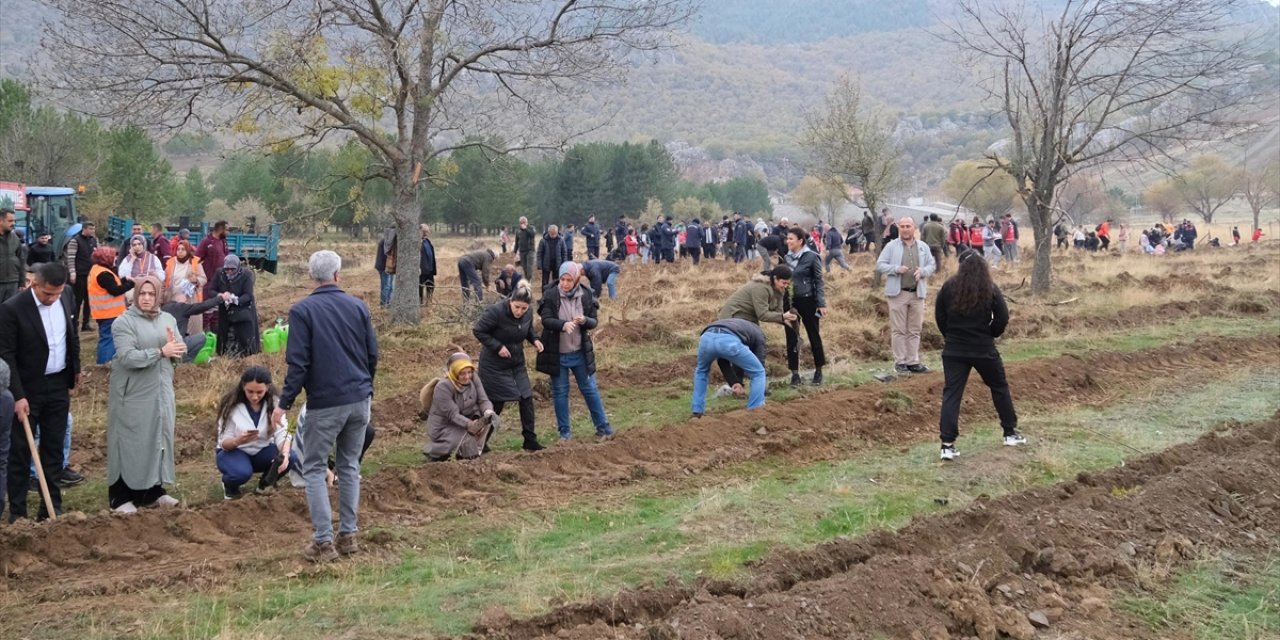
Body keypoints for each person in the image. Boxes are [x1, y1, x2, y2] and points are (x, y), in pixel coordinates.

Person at [273, 250, 378, 563]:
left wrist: (285, 402)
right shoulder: (358, 306)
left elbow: (298, 364)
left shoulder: (303, 311)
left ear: (310, 276)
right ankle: (348, 534)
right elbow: (373, 354)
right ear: (337, 274)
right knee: (349, 465)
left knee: (315, 468)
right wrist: (365, 387)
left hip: (326, 402)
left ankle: (322, 540)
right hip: (359, 399)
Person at [0, 262, 79, 521]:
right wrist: (18, 395)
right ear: (34, 283)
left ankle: (50, 509)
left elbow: (72, 336)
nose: (53, 298)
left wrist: (74, 370)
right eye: (47, 293)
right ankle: (19, 514)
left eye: (57, 293)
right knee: (21, 452)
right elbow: (7, 355)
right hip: (27, 387)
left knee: (54, 448)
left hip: (57, 384)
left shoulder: (66, 295)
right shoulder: (12, 309)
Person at [934, 250, 1025, 461]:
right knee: (999, 387)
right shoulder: (990, 288)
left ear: (960, 266)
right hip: (983, 348)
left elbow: (940, 316)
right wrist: (991, 333)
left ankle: (947, 445)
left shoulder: (948, 287)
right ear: (983, 267)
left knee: (952, 394)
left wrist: (951, 335)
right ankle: (1009, 432)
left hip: (954, 350)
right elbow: (1002, 317)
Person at [105, 275, 185, 512]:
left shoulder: (167, 318)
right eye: (143, 294)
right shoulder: (123, 322)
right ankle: (119, 496)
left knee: (157, 438)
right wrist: (161, 351)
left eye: (152, 294)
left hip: (161, 392)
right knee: (130, 440)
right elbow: (127, 357)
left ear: (159, 295)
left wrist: (175, 350)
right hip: (132, 394)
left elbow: (178, 349)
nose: (147, 298)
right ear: (136, 295)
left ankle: (152, 492)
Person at [536, 262, 614, 441]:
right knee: (560, 393)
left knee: (590, 389)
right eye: (562, 279)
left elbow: (594, 321)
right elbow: (546, 320)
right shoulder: (550, 294)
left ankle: (603, 427)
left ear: (576, 279)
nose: (564, 283)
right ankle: (565, 434)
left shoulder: (585, 295)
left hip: (580, 353)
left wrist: (585, 320)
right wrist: (562, 325)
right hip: (558, 354)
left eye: (569, 280)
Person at [472, 282, 545, 452]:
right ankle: (481, 442)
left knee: (526, 398)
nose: (519, 311)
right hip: (494, 365)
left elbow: (528, 330)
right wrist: (498, 347)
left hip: (516, 363)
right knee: (496, 403)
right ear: (510, 301)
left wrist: (535, 340)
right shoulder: (496, 311)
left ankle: (530, 440)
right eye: (517, 307)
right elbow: (479, 330)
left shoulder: (527, 314)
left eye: (523, 308)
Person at [215, 366, 298, 498]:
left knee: (290, 457)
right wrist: (238, 441)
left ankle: (265, 485)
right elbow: (224, 442)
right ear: (243, 387)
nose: (254, 397)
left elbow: (282, 432)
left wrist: (285, 453)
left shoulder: (276, 403)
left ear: (268, 387)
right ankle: (230, 486)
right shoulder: (230, 405)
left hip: (262, 450)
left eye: (259, 392)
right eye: (250, 392)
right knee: (240, 473)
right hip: (234, 451)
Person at [876, 216, 937, 374]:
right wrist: (895, 269)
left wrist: (923, 272)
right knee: (898, 330)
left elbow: (932, 264)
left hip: (917, 293)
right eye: (902, 226)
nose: (905, 229)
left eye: (908, 226)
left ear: (914, 227)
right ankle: (900, 362)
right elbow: (880, 264)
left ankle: (913, 361)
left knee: (915, 329)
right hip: (898, 293)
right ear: (898, 228)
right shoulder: (891, 246)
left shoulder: (923, 246)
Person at [425, 351, 496, 461]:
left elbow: (483, 400)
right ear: (454, 371)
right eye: (462, 373)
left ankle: (466, 456)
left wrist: (488, 412)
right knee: (465, 440)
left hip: (466, 420)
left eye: (469, 372)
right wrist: (470, 425)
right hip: (444, 425)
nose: (467, 377)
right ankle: (435, 454)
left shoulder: (473, 377)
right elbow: (452, 414)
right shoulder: (443, 387)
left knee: (489, 422)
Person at [691, 318, 767, 417]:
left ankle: (697, 410)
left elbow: (722, 360)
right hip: (728, 340)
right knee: (758, 373)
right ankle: (754, 411)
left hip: (706, 338)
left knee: (701, 371)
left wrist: (734, 382)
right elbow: (758, 365)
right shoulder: (760, 336)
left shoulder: (743, 327)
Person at [782, 227, 826, 386]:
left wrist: (821, 303)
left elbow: (819, 281)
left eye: (791, 239)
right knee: (791, 337)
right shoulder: (786, 258)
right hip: (790, 302)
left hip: (808, 300)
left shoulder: (811, 257)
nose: (788, 242)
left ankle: (819, 371)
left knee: (813, 335)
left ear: (800, 241)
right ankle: (794, 374)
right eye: (787, 239)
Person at [88, 247, 133, 364]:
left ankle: (107, 360)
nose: (115, 259)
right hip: (108, 312)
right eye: (113, 257)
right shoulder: (103, 274)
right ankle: (104, 362)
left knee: (108, 337)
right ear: (105, 258)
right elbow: (115, 290)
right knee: (108, 338)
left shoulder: (98, 270)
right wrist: (131, 284)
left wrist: (123, 280)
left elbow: (112, 284)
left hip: (103, 312)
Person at [213, 255, 261, 356]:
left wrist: (236, 300)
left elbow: (248, 295)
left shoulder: (246, 274)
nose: (229, 271)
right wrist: (220, 295)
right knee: (226, 335)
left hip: (243, 310)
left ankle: (246, 355)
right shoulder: (220, 274)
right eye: (227, 269)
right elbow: (211, 290)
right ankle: (226, 355)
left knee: (244, 338)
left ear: (238, 267)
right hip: (225, 310)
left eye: (232, 269)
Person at [164, 239, 207, 337]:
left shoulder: (195, 262)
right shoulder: (171, 262)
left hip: (190, 300)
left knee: (190, 329)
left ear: (188, 250)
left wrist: (195, 280)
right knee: (174, 328)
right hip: (173, 300)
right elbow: (164, 280)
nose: (180, 251)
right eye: (178, 249)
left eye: (183, 249)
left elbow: (203, 279)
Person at [64, 221, 98, 331]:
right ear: (84, 229)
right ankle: (74, 322)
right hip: (79, 275)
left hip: (91, 274)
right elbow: (70, 258)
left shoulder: (93, 241)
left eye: (93, 229)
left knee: (89, 300)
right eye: (91, 229)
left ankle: (86, 323)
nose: (93, 231)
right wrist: (72, 272)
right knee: (78, 300)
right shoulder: (75, 241)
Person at [195, 220, 229, 299]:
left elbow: (226, 257)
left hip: (221, 280)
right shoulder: (206, 241)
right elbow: (196, 259)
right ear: (220, 229)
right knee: (208, 305)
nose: (228, 232)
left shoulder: (223, 242)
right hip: (209, 281)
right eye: (227, 230)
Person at [0, 208, 23, 303]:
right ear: (1, 221)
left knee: (9, 313)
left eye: (14, 221)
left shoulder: (15, 239)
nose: (13, 223)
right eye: (10, 221)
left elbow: (21, 260)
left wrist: (22, 282)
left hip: (13, 282)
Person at [537, 225, 570, 289]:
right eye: (552, 234)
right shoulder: (543, 240)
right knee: (545, 282)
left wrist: (564, 264)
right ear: (548, 232)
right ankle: (544, 296)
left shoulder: (561, 240)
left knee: (556, 281)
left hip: (557, 264)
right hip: (546, 264)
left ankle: (556, 295)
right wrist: (539, 264)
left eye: (555, 234)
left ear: (557, 232)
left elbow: (564, 253)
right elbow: (539, 253)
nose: (553, 235)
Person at [374, 226, 397, 308]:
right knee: (386, 286)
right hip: (384, 267)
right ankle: (383, 304)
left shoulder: (389, 242)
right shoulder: (386, 242)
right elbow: (384, 257)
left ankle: (388, 302)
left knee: (391, 286)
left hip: (389, 267)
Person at [514, 217, 537, 282]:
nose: (523, 224)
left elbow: (532, 234)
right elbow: (517, 242)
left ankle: (528, 280)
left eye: (524, 222)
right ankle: (527, 280)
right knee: (524, 267)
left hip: (530, 251)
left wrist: (526, 229)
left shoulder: (531, 228)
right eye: (521, 223)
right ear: (519, 223)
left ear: (527, 222)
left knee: (529, 267)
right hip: (522, 251)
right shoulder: (518, 231)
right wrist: (515, 251)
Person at [419, 224, 437, 306]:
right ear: (419, 231)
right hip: (421, 270)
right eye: (424, 231)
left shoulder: (427, 241)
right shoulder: (418, 242)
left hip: (429, 269)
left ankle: (429, 301)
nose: (426, 233)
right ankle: (420, 302)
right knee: (420, 287)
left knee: (431, 286)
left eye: (427, 231)